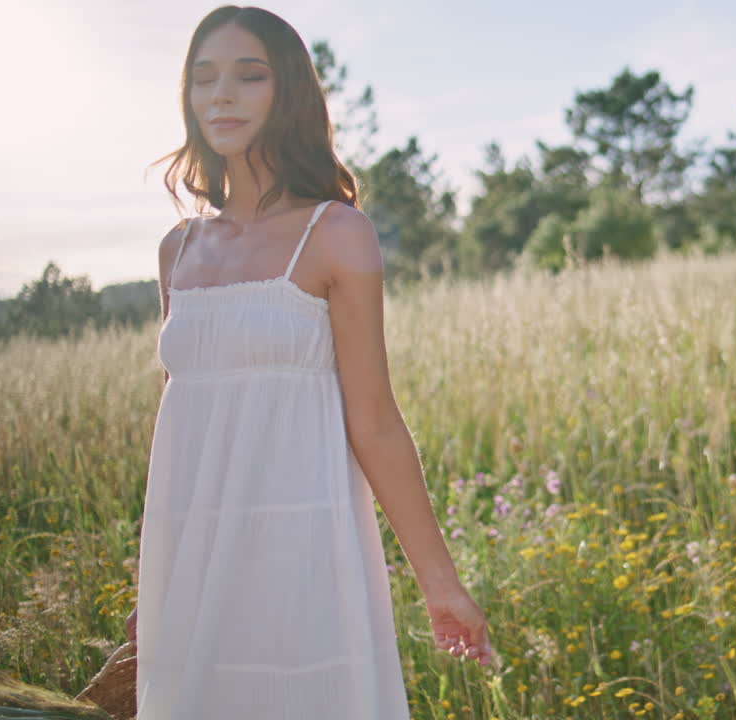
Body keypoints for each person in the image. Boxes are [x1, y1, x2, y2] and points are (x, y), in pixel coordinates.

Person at [126, 5, 493, 717]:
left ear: (287, 90)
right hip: (196, 564)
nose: (220, 95)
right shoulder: (178, 251)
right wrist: (157, 585)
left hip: (303, 549)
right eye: (203, 79)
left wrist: (440, 585)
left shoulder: (336, 234)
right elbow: (182, 432)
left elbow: (377, 423)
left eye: (248, 75)